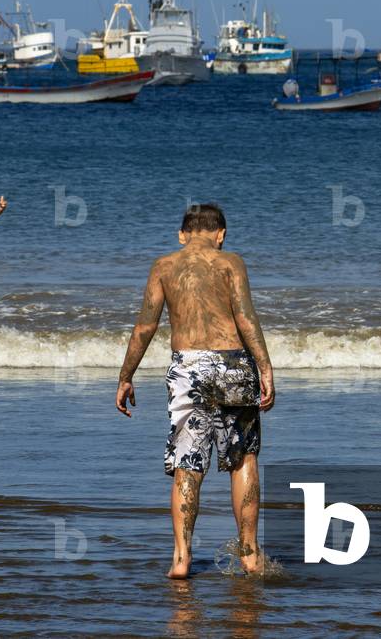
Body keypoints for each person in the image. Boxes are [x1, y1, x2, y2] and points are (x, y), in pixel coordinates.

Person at [115, 204, 275, 579]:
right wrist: (265, 368)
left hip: (187, 367)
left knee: (187, 463)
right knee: (243, 458)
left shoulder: (163, 265)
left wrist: (125, 376)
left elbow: (144, 328)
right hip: (232, 364)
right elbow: (245, 317)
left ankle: (181, 558)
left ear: (182, 234)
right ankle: (249, 554)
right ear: (220, 234)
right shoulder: (230, 261)